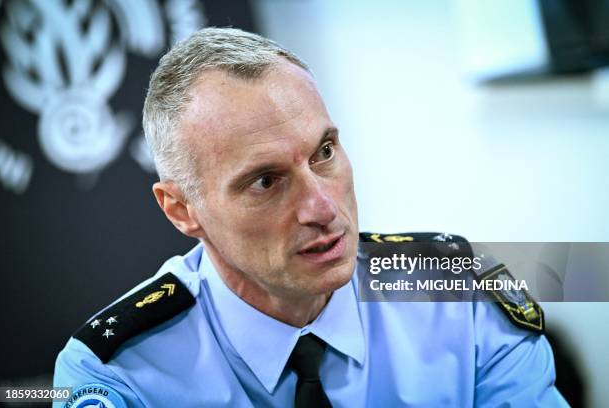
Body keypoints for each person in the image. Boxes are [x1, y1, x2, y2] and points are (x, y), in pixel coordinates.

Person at [53, 27, 567, 407]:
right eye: (265, 181)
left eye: (324, 152)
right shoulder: (113, 372)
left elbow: (582, 271)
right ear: (182, 210)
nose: (323, 208)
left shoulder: (459, 291)